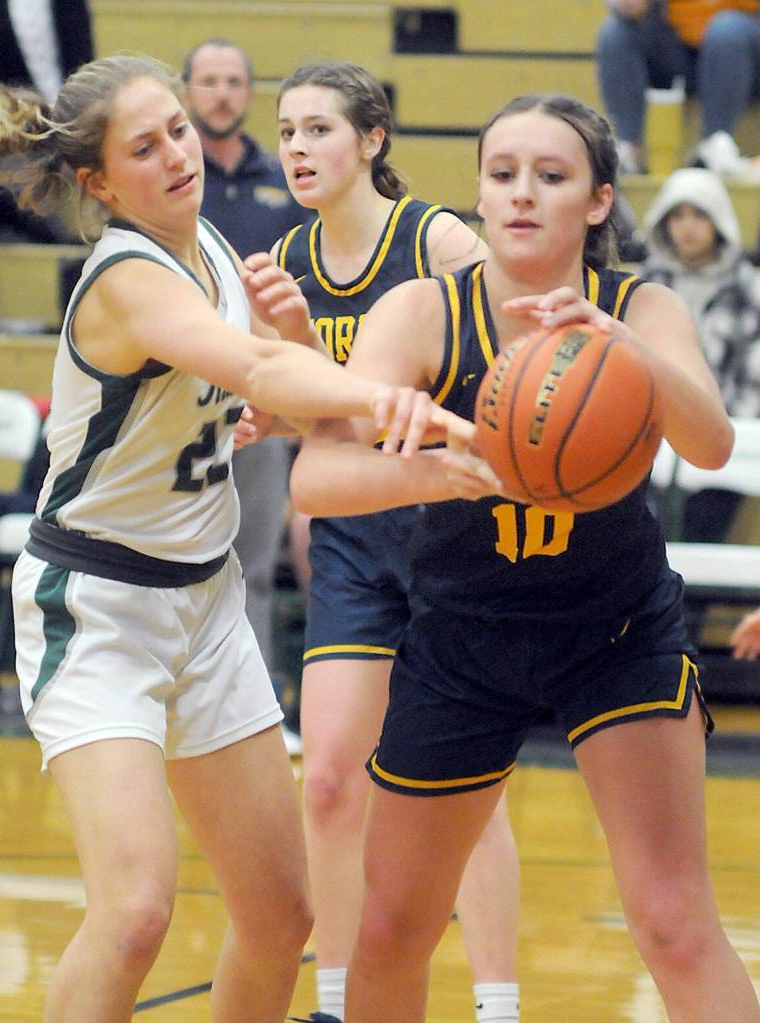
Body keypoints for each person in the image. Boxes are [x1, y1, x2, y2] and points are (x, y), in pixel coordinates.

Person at [0, 53, 448, 1023]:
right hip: (97, 609)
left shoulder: (209, 244)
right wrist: (385, 398)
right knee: (132, 915)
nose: (175, 154)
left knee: (278, 914)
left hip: (204, 607)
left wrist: (294, 342)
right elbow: (248, 366)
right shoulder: (126, 276)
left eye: (176, 129)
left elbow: (274, 402)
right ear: (96, 182)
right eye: (143, 146)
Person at [289, 92, 760, 1023]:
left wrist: (624, 350)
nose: (522, 195)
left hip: (617, 631)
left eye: (552, 176)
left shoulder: (642, 304)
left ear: (596, 201)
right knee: (392, 926)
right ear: (477, 191)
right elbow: (320, 477)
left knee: (672, 919)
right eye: (502, 174)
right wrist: (444, 473)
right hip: (464, 637)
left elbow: (709, 443)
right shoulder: (424, 310)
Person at [271, 61, 521, 1023]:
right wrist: (271, 404)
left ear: (373, 141)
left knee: (468, 790)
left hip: (449, 527)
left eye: (319, 129)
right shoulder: (290, 259)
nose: (297, 147)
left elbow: (508, 371)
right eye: (287, 130)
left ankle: (496, 1007)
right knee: (331, 777)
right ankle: (335, 1004)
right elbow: (309, 421)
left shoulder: (438, 239)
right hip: (351, 535)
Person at [183, 39, 308, 723]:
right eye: (209, 81)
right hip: (177, 399)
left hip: (256, 400)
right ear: (188, 91)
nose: (222, 94)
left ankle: (251, 712)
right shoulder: (173, 179)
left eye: (234, 81)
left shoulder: (283, 183)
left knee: (251, 564)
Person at [640, 166, 760, 540]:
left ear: (718, 220)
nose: (687, 226)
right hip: (652, 436)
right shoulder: (647, 283)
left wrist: (723, 429)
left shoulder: (749, 286)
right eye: (677, 216)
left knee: (700, 526)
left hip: (731, 439)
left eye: (699, 214)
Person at [0, 0, 95, 244]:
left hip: (36, 128)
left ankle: (39, 235)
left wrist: (72, 137)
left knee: (9, 156)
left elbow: (82, 69)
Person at [596, 0, 759, 178]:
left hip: (743, 45)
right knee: (616, 31)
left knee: (726, 30)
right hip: (676, 44)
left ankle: (716, 144)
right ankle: (628, 149)